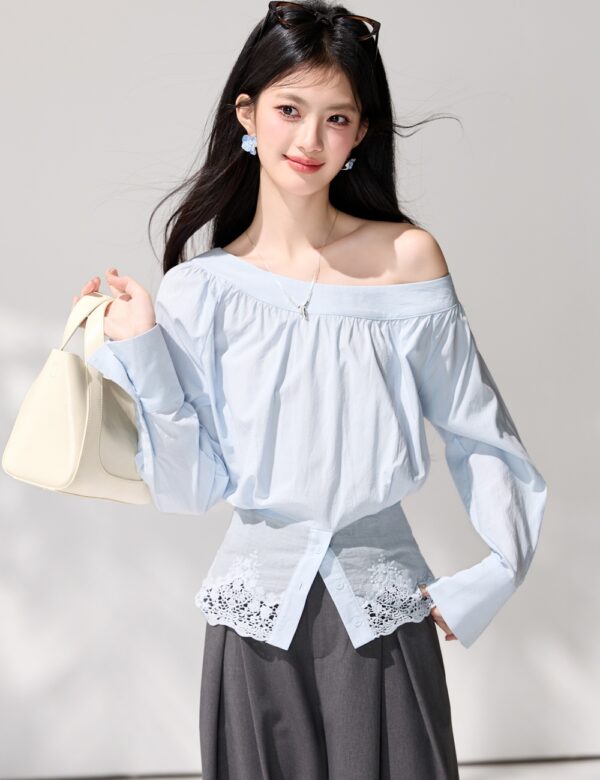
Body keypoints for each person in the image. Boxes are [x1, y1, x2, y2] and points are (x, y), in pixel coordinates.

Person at [75, 1, 548, 777]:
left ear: (360, 134)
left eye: (337, 118)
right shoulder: (201, 291)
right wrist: (144, 351)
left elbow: (480, 432)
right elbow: (192, 487)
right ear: (248, 114)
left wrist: (495, 573)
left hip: (382, 620)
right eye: (290, 109)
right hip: (253, 628)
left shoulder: (407, 260)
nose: (309, 140)